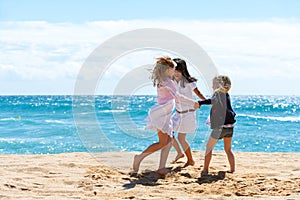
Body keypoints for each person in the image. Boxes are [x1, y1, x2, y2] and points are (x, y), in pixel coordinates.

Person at [132, 57, 199, 175]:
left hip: (165, 114)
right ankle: (139, 158)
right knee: (163, 142)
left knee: (169, 141)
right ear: (168, 70)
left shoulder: (163, 80)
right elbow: (178, 96)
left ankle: (161, 167)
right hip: (162, 115)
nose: (175, 71)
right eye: (173, 69)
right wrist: (193, 103)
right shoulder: (168, 81)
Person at [198, 75, 236, 176]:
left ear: (219, 85)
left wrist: (200, 103)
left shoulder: (218, 94)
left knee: (208, 148)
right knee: (228, 150)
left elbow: (212, 101)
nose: (212, 86)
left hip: (220, 128)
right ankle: (232, 169)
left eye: (213, 84)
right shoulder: (226, 94)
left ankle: (205, 169)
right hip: (230, 127)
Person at [171, 58, 206, 167]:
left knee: (181, 138)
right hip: (177, 113)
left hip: (188, 113)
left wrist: (206, 102)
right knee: (168, 132)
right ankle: (180, 153)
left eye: (178, 70)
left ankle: (190, 160)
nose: (175, 73)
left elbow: (198, 92)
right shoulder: (171, 81)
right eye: (174, 70)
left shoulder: (189, 82)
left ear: (182, 70)